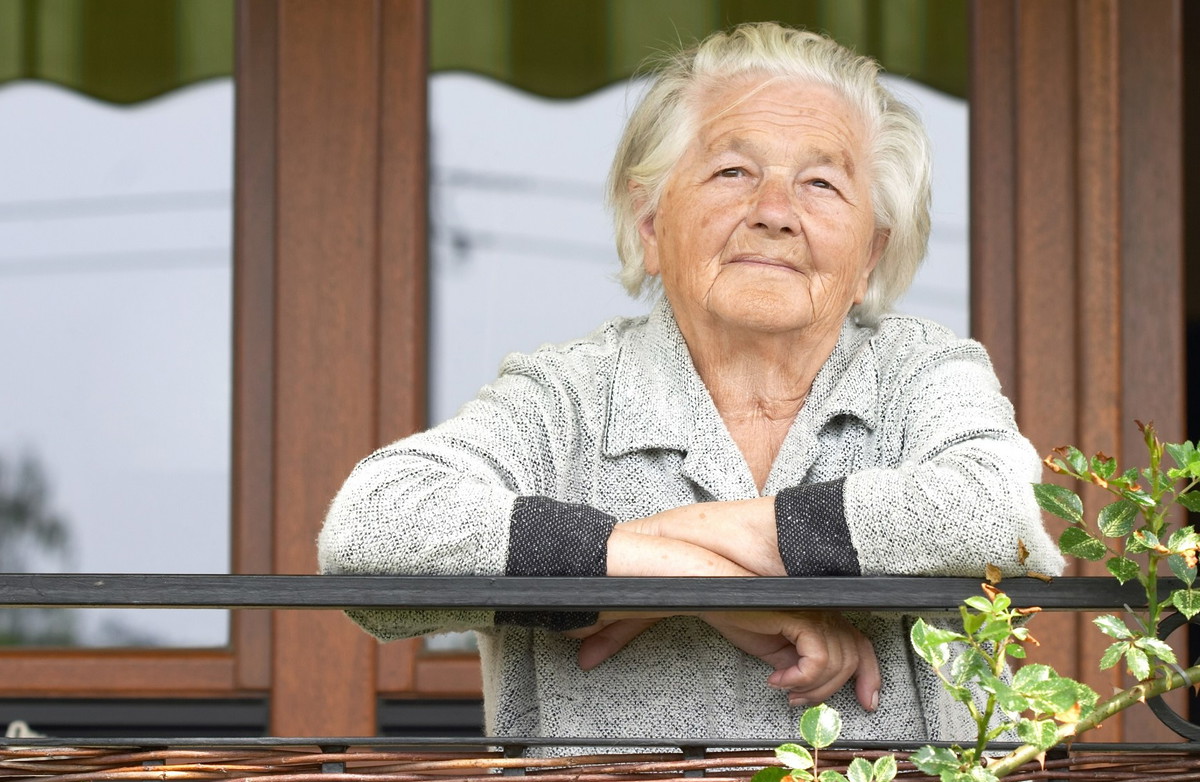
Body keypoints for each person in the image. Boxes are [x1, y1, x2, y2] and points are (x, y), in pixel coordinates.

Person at [318, 22, 1064, 742]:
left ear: (870, 255)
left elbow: (1002, 513)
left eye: (821, 183)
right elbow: (371, 528)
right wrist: (686, 577)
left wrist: (668, 547)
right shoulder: (568, 393)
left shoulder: (919, 369)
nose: (775, 213)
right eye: (733, 172)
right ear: (650, 225)